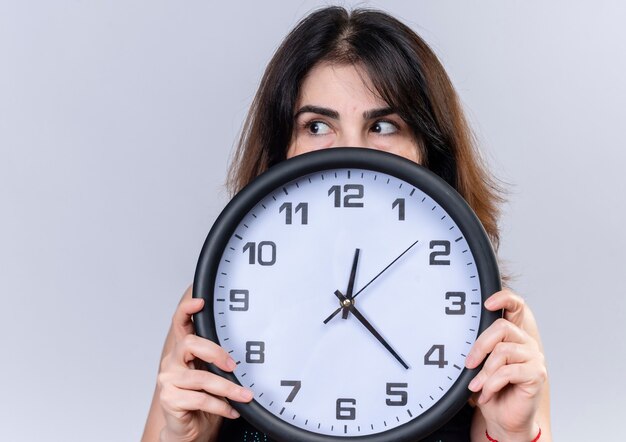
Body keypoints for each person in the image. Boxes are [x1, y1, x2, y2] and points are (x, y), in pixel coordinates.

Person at [142, 6, 551, 442]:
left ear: (428, 150)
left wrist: (512, 432)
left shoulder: (493, 320)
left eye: (383, 126)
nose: (351, 153)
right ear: (282, 148)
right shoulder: (215, 303)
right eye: (317, 125)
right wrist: (180, 436)